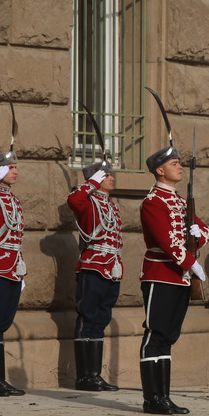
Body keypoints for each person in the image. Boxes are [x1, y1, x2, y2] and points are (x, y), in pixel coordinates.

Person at [139, 145, 209, 414]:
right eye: (174, 164)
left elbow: (205, 230)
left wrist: (197, 236)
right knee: (155, 334)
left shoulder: (180, 202)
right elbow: (166, 241)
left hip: (179, 277)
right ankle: (152, 398)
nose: (180, 167)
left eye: (180, 163)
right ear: (160, 170)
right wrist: (192, 263)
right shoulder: (154, 202)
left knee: (168, 337)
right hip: (161, 275)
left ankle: (164, 397)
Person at [67, 159, 122, 391]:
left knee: (101, 319)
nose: (111, 177)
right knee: (88, 317)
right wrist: (90, 183)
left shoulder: (111, 205)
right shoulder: (88, 202)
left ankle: (95, 375)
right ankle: (84, 377)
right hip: (93, 265)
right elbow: (73, 200)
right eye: (106, 175)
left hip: (111, 267)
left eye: (110, 174)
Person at [0, 151, 26, 397]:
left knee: (1, 324)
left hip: (12, 268)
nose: (15, 171)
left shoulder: (12, 200)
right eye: (10, 167)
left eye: (15, 167)